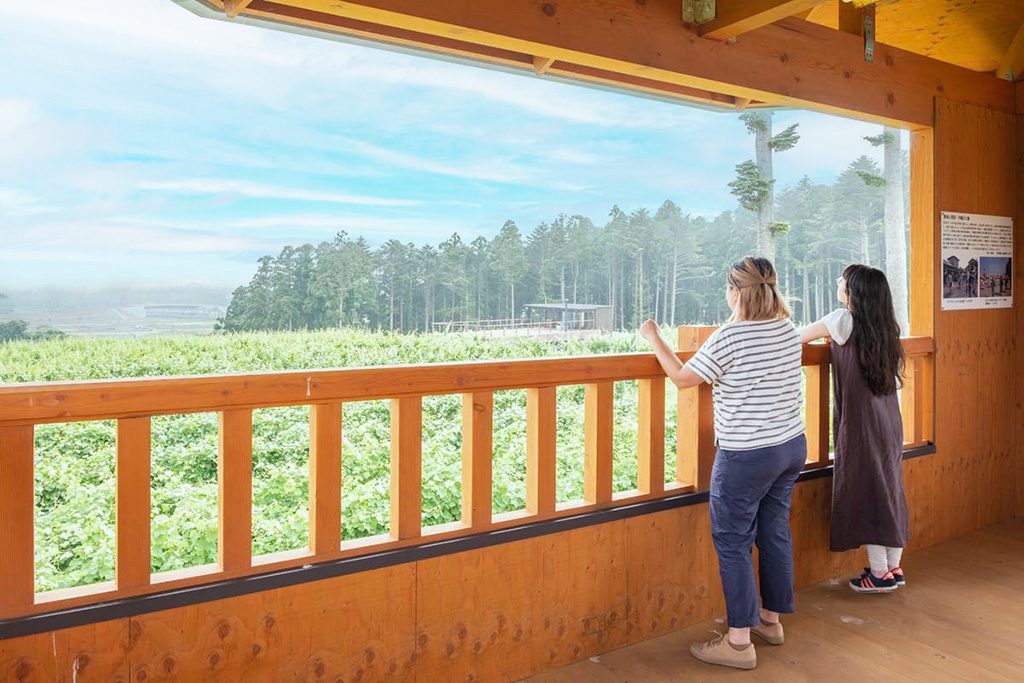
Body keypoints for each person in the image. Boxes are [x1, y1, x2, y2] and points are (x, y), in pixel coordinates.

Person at [640, 256, 805, 671]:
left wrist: (653, 336)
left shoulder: (730, 336)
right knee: (774, 531)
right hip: (791, 446)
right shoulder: (787, 329)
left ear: (734, 292)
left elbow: (682, 378)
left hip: (747, 455)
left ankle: (737, 645)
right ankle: (771, 621)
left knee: (732, 541)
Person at [800, 265, 909, 593]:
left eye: (842, 281)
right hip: (889, 419)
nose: (838, 283)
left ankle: (878, 575)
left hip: (861, 423)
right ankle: (893, 568)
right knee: (889, 487)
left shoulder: (841, 320)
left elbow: (796, 336)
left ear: (854, 292)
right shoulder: (886, 328)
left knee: (869, 491)